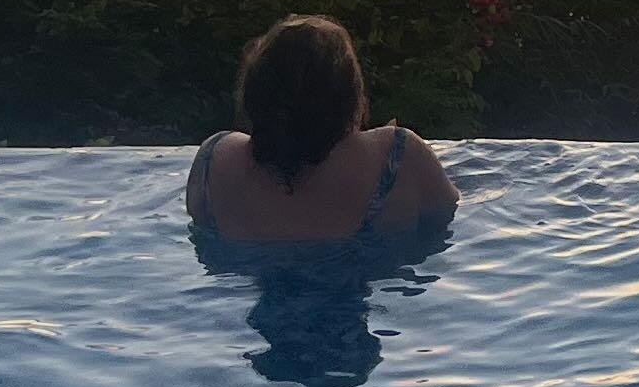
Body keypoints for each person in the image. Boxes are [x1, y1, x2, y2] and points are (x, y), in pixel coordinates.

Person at [186, 15, 460, 255]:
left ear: (254, 95)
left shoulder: (213, 161)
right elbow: (448, 218)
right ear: (349, 96)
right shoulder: (398, 155)